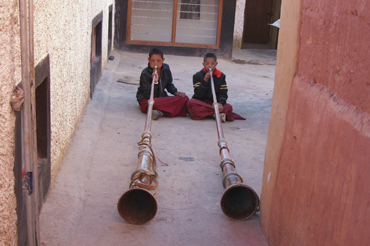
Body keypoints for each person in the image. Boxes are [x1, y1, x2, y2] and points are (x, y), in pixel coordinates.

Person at [187, 53, 245, 122]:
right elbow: (198, 94)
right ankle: (214, 114)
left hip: (215, 103)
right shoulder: (197, 76)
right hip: (202, 102)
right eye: (207, 64)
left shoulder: (221, 76)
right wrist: (205, 80)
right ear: (203, 64)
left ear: (216, 64)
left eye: (212, 63)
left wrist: (220, 103)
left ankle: (209, 113)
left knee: (228, 107)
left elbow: (223, 92)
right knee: (191, 103)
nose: (210, 66)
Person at [136, 48, 189, 120]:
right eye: (153, 61)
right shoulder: (145, 73)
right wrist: (154, 82)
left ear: (163, 60)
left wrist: (175, 92)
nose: (155, 63)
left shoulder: (166, 69)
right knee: (150, 104)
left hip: (161, 98)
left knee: (184, 99)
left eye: (158, 61)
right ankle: (166, 112)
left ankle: (160, 113)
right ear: (149, 60)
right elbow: (147, 95)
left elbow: (169, 85)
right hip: (148, 100)